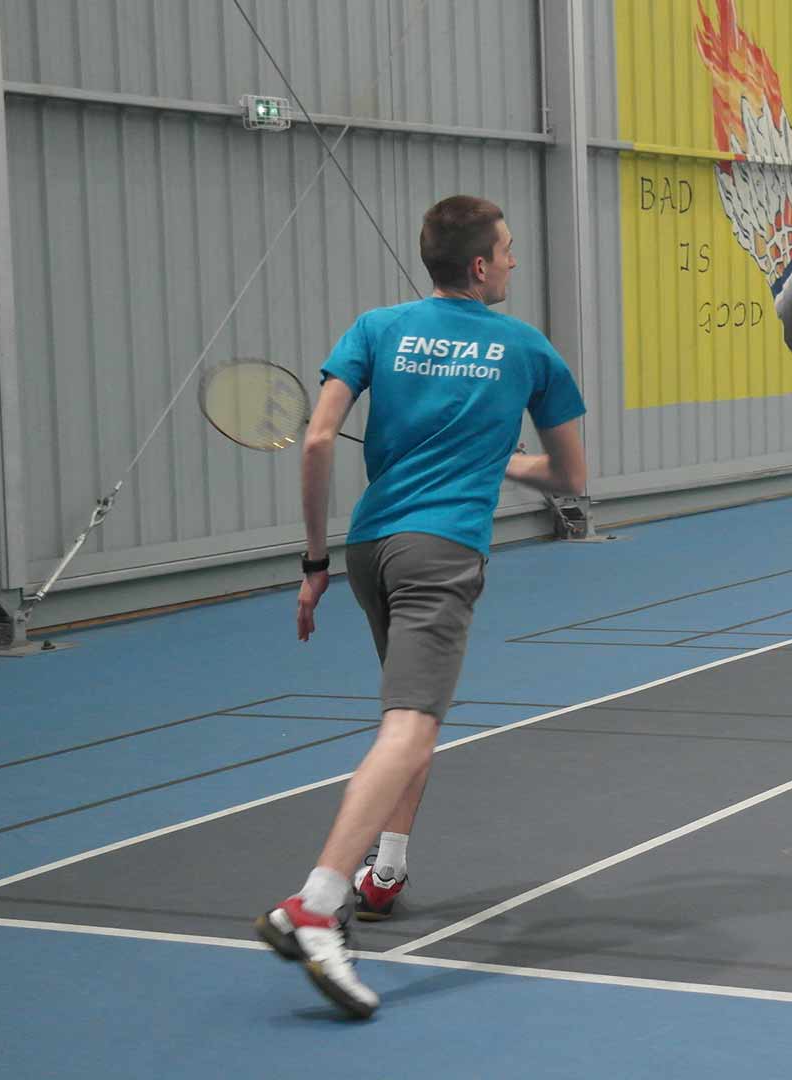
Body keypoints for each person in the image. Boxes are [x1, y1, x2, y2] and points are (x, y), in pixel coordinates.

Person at [254, 195, 589, 1018]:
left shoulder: (375, 328)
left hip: (371, 552)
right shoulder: (527, 348)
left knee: (412, 721)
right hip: (443, 552)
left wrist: (312, 563)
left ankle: (387, 869)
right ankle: (314, 903)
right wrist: (510, 466)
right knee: (410, 726)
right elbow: (571, 478)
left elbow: (320, 440)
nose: (513, 260)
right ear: (479, 266)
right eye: (507, 250)